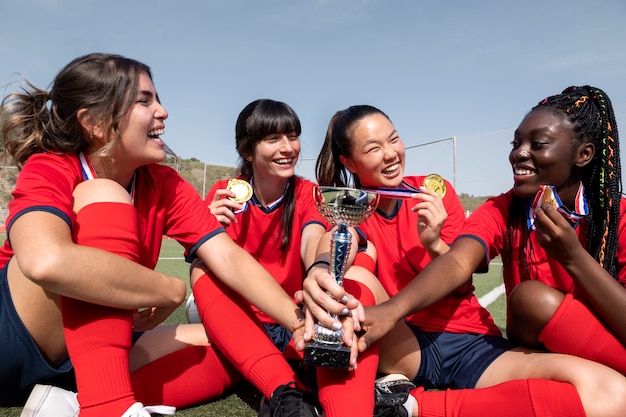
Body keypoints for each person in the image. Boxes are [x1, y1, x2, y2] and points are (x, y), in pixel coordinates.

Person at [0, 53, 309, 417]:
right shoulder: (52, 165)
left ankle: (72, 404)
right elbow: (45, 261)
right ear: (95, 122)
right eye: (145, 100)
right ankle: (108, 406)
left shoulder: (162, 182)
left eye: (157, 99)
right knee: (102, 193)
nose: (163, 111)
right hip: (14, 343)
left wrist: (300, 323)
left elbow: (227, 257)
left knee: (233, 345)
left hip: (86, 353)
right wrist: (169, 289)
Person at [302, 103, 626, 417]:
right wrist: (321, 268)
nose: (390, 153)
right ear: (349, 161)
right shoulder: (352, 206)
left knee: (612, 395)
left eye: (393, 139)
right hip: (404, 342)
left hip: (474, 343)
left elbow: (458, 268)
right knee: (352, 282)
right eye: (373, 148)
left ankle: (406, 406)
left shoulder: (435, 192)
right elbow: (340, 240)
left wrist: (433, 245)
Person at [188, 98, 380, 417]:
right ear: (248, 151)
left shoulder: (307, 192)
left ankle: (287, 378)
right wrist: (208, 230)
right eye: (272, 138)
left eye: (292, 136)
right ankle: (286, 388)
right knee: (202, 267)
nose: (288, 147)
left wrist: (318, 266)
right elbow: (213, 261)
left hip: (292, 317)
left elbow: (312, 238)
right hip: (241, 321)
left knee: (359, 280)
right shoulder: (225, 193)